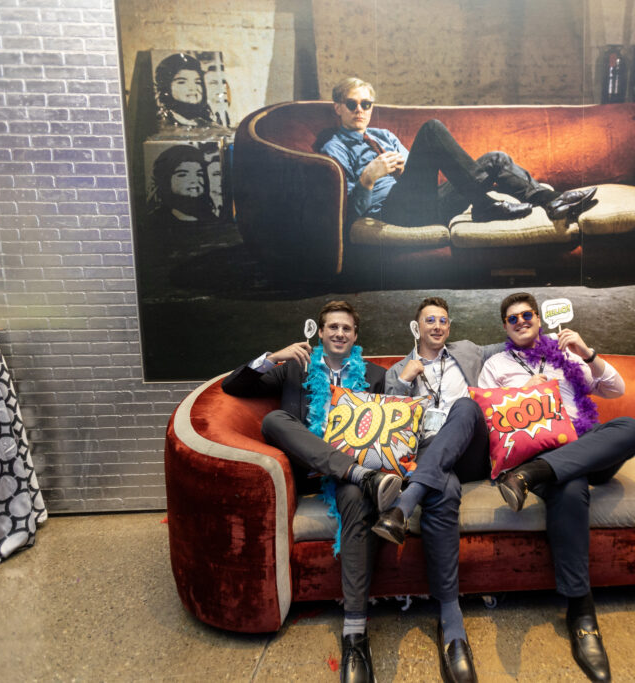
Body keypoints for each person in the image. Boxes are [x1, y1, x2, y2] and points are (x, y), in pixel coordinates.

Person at [221, 300, 402, 683]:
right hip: (308, 472)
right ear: (320, 333)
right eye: (332, 327)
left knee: (355, 494)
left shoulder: (373, 375)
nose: (339, 333)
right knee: (274, 419)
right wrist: (273, 357)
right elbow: (233, 385)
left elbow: (385, 430)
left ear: (355, 336)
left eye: (347, 329)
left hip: (352, 479)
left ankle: (354, 634)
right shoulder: (295, 369)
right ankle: (359, 475)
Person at [475, 292, 635, 683]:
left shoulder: (566, 355)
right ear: (504, 326)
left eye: (527, 315)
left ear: (538, 318)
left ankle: (535, 475)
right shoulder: (496, 364)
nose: (520, 322)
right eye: (512, 318)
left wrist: (587, 353)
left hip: (582, 447)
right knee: (569, 488)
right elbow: (486, 420)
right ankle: (582, 615)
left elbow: (615, 389)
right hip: (533, 448)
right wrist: (524, 394)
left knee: (630, 428)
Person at [373, 297, 498, 683]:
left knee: (465, 408)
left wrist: (549, 336)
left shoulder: (467, 351)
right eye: (430, 320)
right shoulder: (397, 370)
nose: (438, 326)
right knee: (443, 490)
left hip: (469, 448)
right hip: (425, 453)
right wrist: (405, 380)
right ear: (417, 327)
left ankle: (404, 503)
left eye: (443, 320)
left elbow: (514, 342)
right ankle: (450, 617)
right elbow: (387, 421)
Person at [321, 77, 597, 227]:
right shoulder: (334, 148)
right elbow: (344, 213)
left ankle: (553, 201)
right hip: (392, 212)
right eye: (352, 103)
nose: (360, 110)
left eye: (366, 104)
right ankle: (484, 204)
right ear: (338, 107)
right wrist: (369, 178)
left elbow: (415, 172)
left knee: (496, 159)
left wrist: (408, 166)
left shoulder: (384, 136)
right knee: (431, 129)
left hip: (427, 203)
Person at [147, 144, 216, 226]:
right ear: (166, 180)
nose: (194, 180)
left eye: (199, 174)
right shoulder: (156, 222)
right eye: (183, 174)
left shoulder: (213, 219)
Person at [154, 52, 213, 127]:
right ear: (166, 88)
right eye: (182, 82)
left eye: (198, 82)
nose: (193, 88)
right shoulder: (161, 125)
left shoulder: (209, 123)